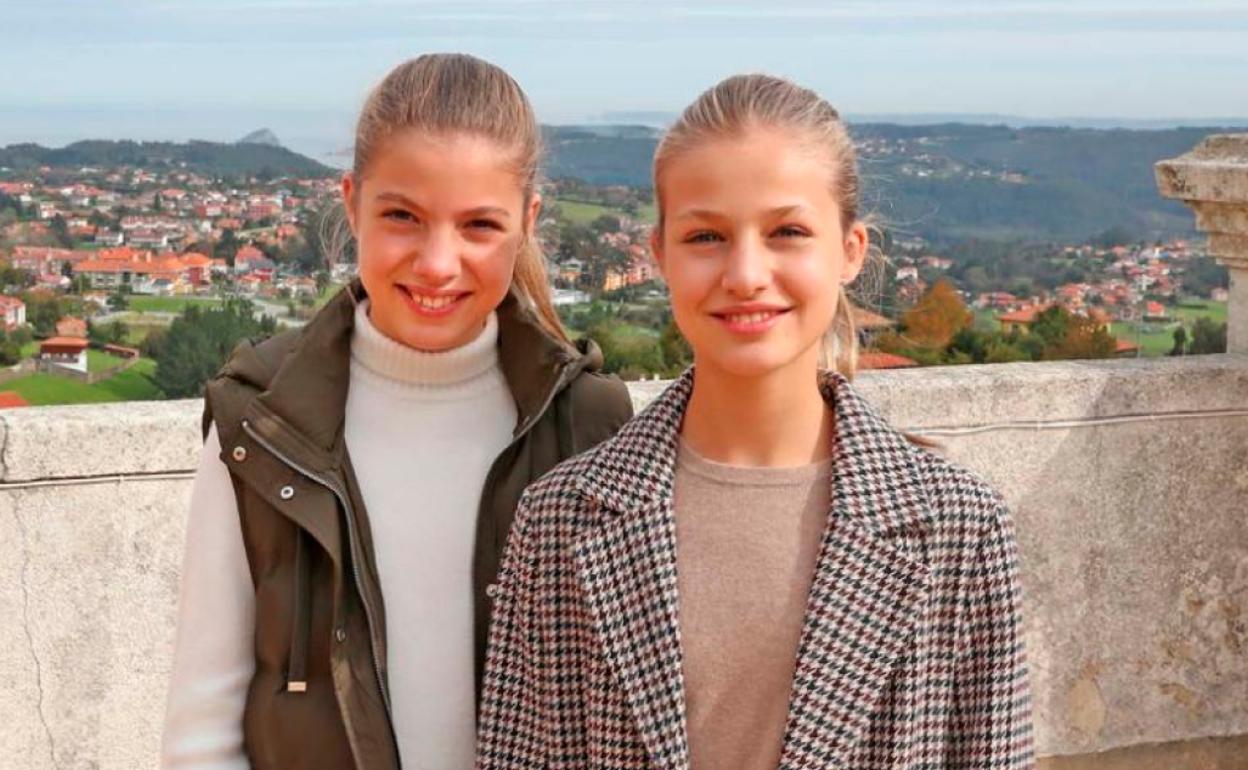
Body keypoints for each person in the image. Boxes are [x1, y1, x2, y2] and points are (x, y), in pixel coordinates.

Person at [477, 73, 1034, 769]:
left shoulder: (961, 527)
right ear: (660, 255)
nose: (745, 273)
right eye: (707, 235)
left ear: (851, 251)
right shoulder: (561, 518)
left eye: (787, 232)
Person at [161, 53, 633, 770]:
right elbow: (202, 730)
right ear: (351, 203)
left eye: (479, 225)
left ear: (528, 222)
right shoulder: (260, 419)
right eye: (403, 217)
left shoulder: (589, 425)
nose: (438, 263)